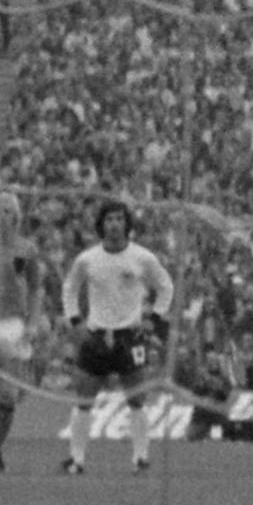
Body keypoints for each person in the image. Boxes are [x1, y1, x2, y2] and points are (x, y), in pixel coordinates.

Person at [60, 198, 173, 474]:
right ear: (101, 224)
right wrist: (76, 322)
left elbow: (166, 286)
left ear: (127, 224)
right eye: (109, 219)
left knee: (136, 399)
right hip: (96, 335)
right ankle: (77, 459)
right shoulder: (87, 259)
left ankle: (141, 458)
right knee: (84, 399)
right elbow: (70, 289)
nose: (114, 224)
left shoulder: (142, 257)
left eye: (119, 219)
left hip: (130, 337)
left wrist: (153, 320)